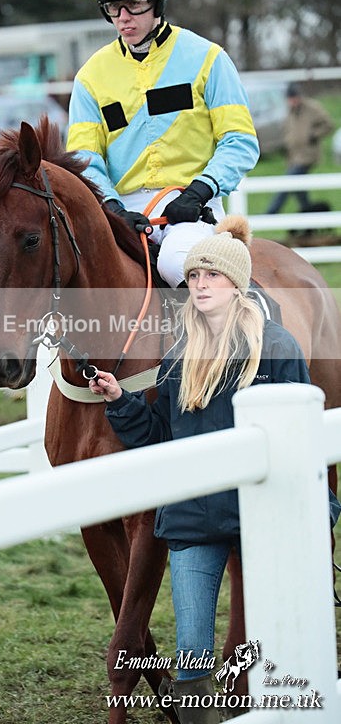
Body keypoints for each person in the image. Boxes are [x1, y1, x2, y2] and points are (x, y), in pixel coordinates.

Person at [89, 215, 340, 722]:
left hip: (257, 523)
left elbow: (299, 439)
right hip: (192, 522)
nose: (199, 286)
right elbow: (163, 436)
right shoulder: (180, 353)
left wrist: (318, 509)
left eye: (212, 277)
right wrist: (120, 401)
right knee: (193, 663)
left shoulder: (278, 348)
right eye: (195, 278)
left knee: (276, 656)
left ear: (237, 285)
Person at [66, 0, 260, 288]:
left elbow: (240, 141)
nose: (123, 18)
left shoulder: (209, 59)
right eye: (113, 7)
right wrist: (112, 208)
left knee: (175, 262)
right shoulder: (90, 78)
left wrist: (199, 190)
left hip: (193, 207)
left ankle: (226, 340)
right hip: (121, 214)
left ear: (159, 0)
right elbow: (85, 158)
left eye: (134, 4)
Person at [265, 82, 334, 215]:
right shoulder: (289, 112)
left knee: (288, 183)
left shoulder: (313, 108)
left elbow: (328, 125)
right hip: (294, 156)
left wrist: (313, 135)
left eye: (294, 98)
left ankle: (271, 212)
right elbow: (288, 131)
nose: (292, 101)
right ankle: (309, 214)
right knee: (299, 189)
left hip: (307, 156)